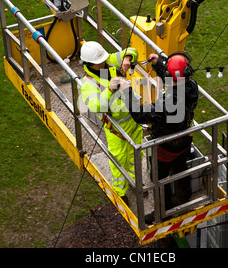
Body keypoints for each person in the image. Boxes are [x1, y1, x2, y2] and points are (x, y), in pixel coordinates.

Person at [118, 51, 199, 223]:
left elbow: (140, 115)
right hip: (184, 139)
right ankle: (184, 193)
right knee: (180, 167)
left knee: (159, 179)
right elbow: (175, 79)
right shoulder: (191, 86)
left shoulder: (167, 103)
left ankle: (164, 211)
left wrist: (126, 91)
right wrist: (159, 66)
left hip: (166, 147)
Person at [80, 41, 142, 205]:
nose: (103, 61)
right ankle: (120, 192)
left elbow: (132, 50)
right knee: (118, 160)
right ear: (90, 63)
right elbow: (96, 106)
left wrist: (128, 57)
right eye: (99, 60)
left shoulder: (110, 61)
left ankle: (136, 182)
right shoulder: (88, 84)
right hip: (116, 128)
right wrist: (110, 90)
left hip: (134, 120)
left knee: (136, 155)